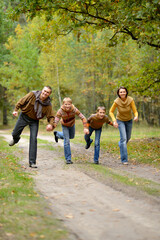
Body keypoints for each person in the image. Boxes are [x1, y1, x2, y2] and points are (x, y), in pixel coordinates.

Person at [9, 86, 55, 168]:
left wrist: (50, 124)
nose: (45, 93)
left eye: (47, 92)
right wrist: (16, 110)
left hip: (34, 120)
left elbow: (51, 116)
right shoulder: (32, 95)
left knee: (33, 139)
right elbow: (21, 101)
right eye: (44, 91)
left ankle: (32, 162)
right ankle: (16, 139)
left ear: (49, 94)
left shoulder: (48, 104)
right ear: (42, 90)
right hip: (24, 116)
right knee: (15, 133)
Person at [53, 97, 89, 164]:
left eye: (69, 104)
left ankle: (57, 134)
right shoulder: (60, 111)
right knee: (67, 141)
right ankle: (68, 159)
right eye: (65, 104)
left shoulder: (74, 109)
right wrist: (54, 125)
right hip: (64, 125)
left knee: (71, 136)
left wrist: (85, 127)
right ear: (63, 104)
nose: (67, 106)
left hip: (72, 125)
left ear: (71, 104)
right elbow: (57, 118)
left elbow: (83, 117)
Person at [109, 86, 138, 165]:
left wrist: (136, 116)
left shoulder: (130, 100)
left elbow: (135, 111)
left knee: (127, 138)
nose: (122, 93)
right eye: (121, 92)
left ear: (126, 92)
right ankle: (124, 159)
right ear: (118, 93)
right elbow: (111, 111)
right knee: (124, 139)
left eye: (124, 92)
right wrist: (114, 121)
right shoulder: (116, 101)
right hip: (120, 120)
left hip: (129, 121)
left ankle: (121, 144)